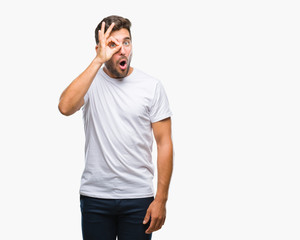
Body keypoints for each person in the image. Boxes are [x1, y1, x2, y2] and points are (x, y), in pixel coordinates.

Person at [58, 15, 173, 240]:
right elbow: (64, 107)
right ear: (99, 48)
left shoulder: (151, 86)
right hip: (95, 197)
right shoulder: (89, 82)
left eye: (126, 42)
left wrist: (161, 200)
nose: (122, 49)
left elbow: (164, 143)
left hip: (139, 198)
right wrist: (97, 61)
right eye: (113, 44)